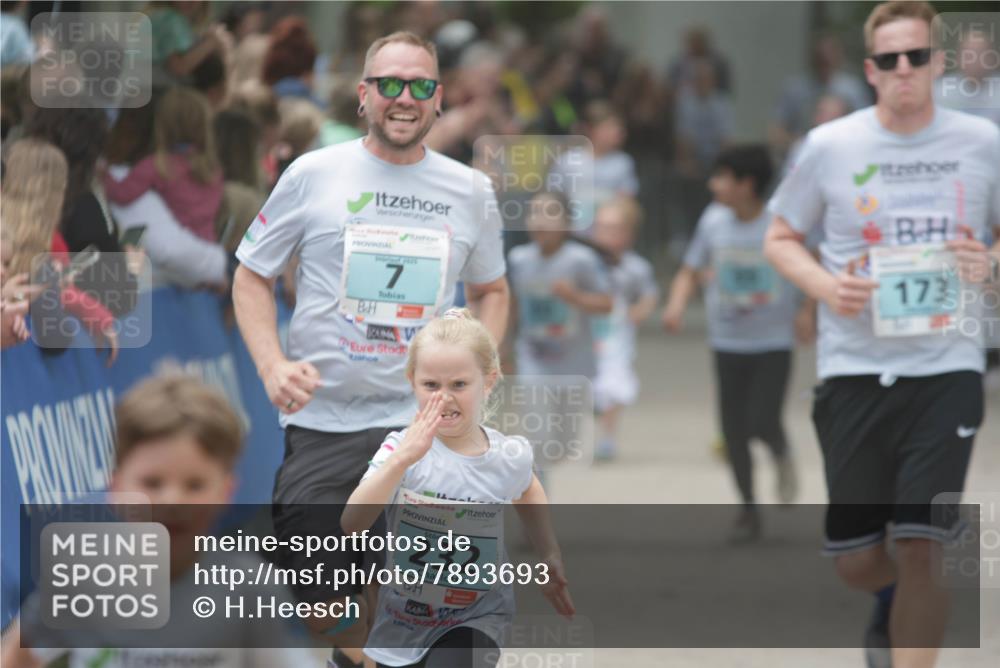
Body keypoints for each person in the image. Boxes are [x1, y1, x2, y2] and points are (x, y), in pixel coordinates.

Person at [231, 31, 510, 668]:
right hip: (325, 424)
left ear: (439, 100)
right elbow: (251, 274)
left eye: (419, 85)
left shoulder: (470, 191)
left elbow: (493, 290)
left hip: (429, 429)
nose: (403, 97)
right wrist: (272, 364)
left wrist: (477, 371)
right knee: (326, 608)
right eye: (389, 83)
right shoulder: (312, 174)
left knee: (439, 611)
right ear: (364, 96)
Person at [764, 3, 1000, 667]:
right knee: (858, 559)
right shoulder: (832, 145)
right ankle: (890, 602)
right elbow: (780, 237)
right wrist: (824, 287)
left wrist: (991, 264)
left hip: (948, 366)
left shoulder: (982, 143)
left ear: (938, 63)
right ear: (870, 70)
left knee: (924, 544)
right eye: (890, 59)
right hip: (853, 368)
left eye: (917, 56)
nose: (904, 69)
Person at [0, 373, 319, 667]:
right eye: (151, 483)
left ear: (226, 491)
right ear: (115, 488)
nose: (172, 501)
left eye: (194, 485)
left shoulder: (249, 589)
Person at [343, 308, 574, 668]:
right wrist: (401, 460)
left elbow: (527, 489)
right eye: (431, 385)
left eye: (459, 385)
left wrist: (549, 553)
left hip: (479, 615)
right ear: (411, 381)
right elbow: (352, 522)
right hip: (403, 620)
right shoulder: (397, 450)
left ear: (490, 381)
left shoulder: (506, 456)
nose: (445, 398)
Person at [662, 145, 805, 542]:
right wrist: (674, 305)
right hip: (727, 342)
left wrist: (808, 311)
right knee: (733, 431)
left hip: (774, 341)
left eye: (722, 177)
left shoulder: (780, 223)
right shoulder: (713, 221)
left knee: (762, 419)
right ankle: (748, 510)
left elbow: (809, 267)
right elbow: (689, 270)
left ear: (747, 184)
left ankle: (780, 451)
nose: (713, 185)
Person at [104, 87, 224, 243]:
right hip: (206, 244)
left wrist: (103, 173)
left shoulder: (157, 166)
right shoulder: (213, 169)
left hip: (172, 247)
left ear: (161, 125)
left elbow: (121, 194)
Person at [589, 196, 659, 460]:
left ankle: (607, 436)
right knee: (590, 384)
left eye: (614, 229)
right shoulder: (584, 261)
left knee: (615, 383)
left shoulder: (636, 268)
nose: (606, 234)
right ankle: (595, 407)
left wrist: (639, 311)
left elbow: (649, 295)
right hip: (586, 333)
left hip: (618, 335)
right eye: (601, 227)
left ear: (628, 235)